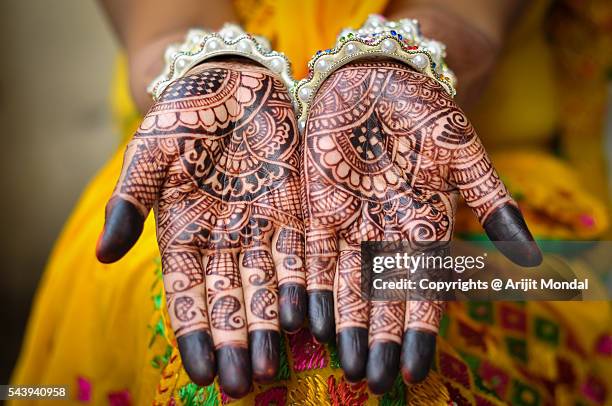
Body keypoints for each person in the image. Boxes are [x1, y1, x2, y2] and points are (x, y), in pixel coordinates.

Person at [11, 0, 611, 405]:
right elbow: (170, 20)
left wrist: (398, 65)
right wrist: (212, 76)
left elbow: (466, 14)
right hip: (196, 185)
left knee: (363, 348)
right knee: (250, 348)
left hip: (470, 171)